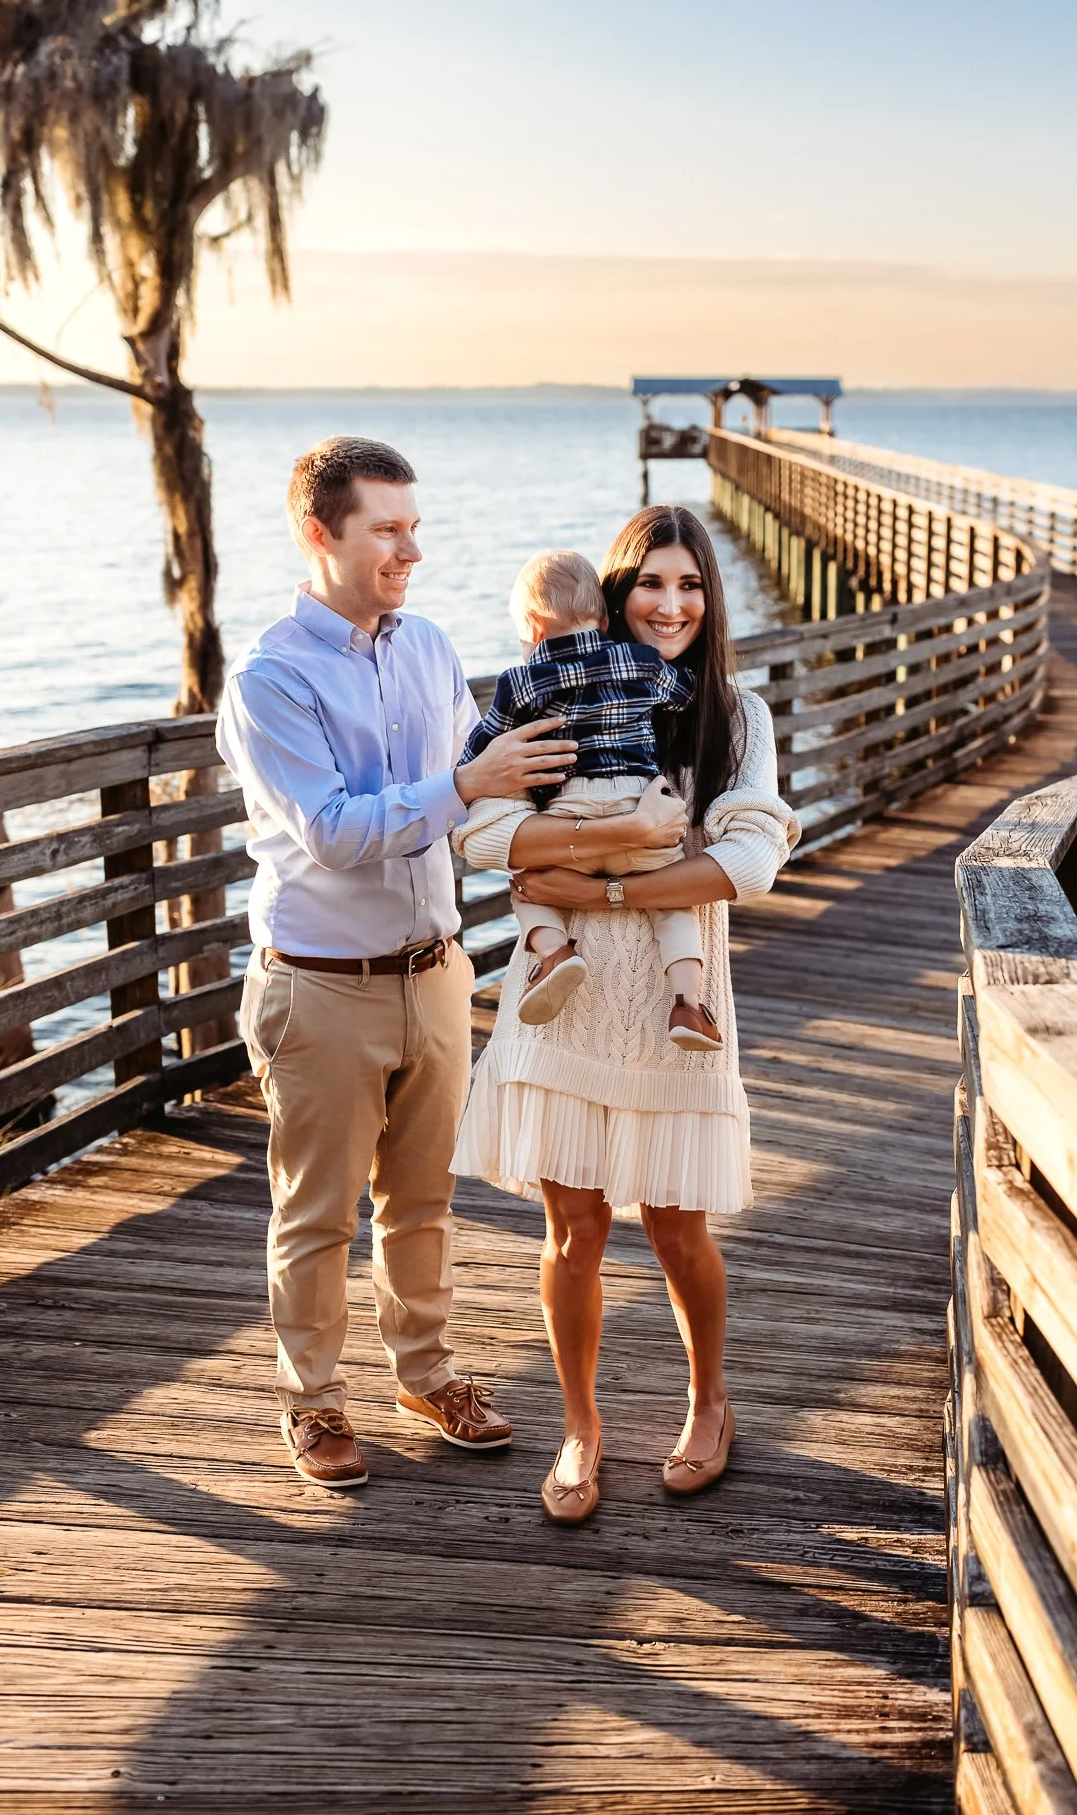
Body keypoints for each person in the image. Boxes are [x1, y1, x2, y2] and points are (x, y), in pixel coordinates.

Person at [216, 435, 582, 1490]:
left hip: (435, 971)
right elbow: (333, 828)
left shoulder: (425, 644)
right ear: (318, 532)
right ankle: (313, 1403)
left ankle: (426, 1373)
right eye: (386, 528)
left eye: (414, 527)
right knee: (319, 1212)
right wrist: (468, 785)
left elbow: (485, 773)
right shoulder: (271, 675)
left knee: (423, 1201)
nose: (409, 549)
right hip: (320, 984)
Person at [452, 505, 799, 1523]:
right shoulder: (558, 690)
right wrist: (639, 838)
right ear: (615, 590)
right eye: (652, 582)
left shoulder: (730, 714)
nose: (672, 602)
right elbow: (483, 839)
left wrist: (596, 883)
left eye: (690, 584)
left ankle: (708, 1401)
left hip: (672, 996)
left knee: (677, 1222)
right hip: (559, 996)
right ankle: (581, 1428)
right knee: (575, 1227)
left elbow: (747, 860)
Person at [457, 546, 721, 1050]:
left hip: (570, 815)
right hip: (637, 806)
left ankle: (555, 953)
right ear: (604, 616)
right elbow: (685, 693)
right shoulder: (640, 661)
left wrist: (464, 771)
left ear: (533, 627)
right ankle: (688, 1005)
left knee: (528, 887)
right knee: (674, 908)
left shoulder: (519, 681)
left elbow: (485, 746)